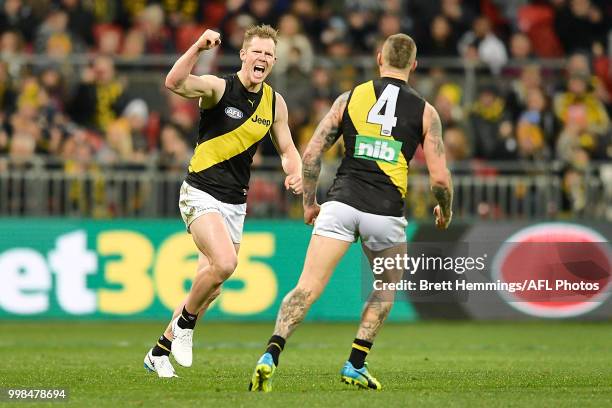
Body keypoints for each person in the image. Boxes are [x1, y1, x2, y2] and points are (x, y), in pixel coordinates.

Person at [249, 33, 453, 391]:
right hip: (385, 214)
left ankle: (271, 353)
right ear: (414, 66)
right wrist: (445, 210)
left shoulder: (350, 97)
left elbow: (312, 153)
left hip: (341, 203)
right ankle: (355, 362)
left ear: (379, 58)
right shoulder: (426, 111)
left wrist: (310, 202)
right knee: (386, 288)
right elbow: (440, 179)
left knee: (306, 287)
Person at [143, 25, 303, 377]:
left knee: (211, 287)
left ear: (274, 61)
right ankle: (185, 326)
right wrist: (198, 47)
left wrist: (295, 171)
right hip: (200, 191)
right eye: (256, 51)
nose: (262, 58)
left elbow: (288, 149)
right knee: (226, 263)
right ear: (244, 55)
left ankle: (159, 351)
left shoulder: (275, 104)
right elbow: (174, 82)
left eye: (269, 54)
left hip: (234, 203)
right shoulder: (218, 87)